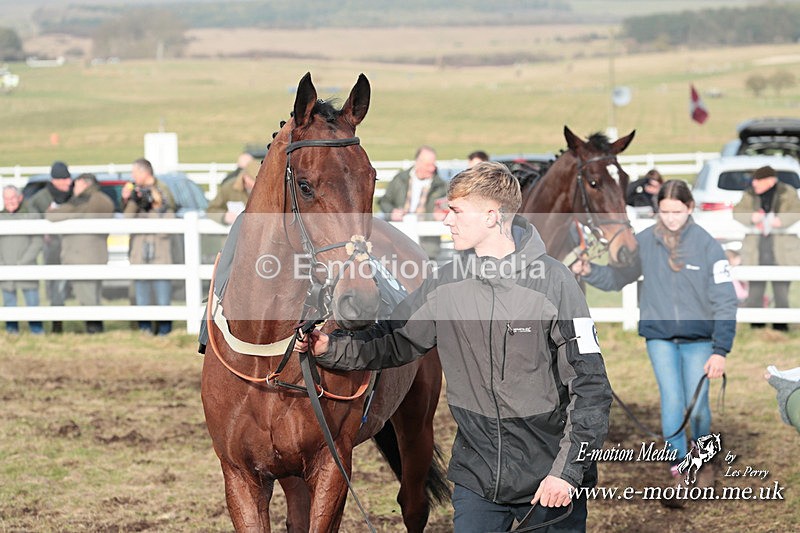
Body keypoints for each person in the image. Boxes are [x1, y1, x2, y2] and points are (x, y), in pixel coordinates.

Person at [299, 162, 612, 532]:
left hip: (549, 481)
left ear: (492, 216)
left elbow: (591, 387)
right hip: (476, 479)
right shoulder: (445, 283)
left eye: (457, 211)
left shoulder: (556, 283)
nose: (447, 221)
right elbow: (393, 340)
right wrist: (328, 346)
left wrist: (566, 472)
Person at [571, 180, 737, 499]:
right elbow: (618, 277)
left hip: (700, 339)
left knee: (698, 407)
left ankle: (704, 458)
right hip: (659, 337)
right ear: (657, 210)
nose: (671, 217)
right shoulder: (644, 241)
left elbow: (725, 300)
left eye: (678, 211)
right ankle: (680, 465)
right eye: (665, 211)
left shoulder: (708, 246)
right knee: (673, 401)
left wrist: (721, 350)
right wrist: (589, 270)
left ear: (690, 208)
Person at [733, 165, 800, 331]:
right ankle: (756, 326)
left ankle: (781, 326)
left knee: (781, 290)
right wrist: (752, 217)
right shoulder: (749, 194)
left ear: (770, 180)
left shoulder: (787, 192)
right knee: (755, 289)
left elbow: (796, 211)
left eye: (758, 180)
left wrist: (782, 221)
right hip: (757, 248)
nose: (754, 183)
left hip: (781, 249)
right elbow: (737, 212)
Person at [46, 174, 115, 333]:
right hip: (97, 255)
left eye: (76, 184)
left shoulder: (84, 200)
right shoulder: (103, 199)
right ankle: (96, 330)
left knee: (87, 298)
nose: (73, 188)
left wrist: (54, 210)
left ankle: (94, 332)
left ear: (84, 184)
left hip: (81, 256)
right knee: (94, 296)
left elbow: (53, 216)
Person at [122, 158, 176, 335]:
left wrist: (155, 207)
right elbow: (127, 219)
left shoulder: (163, 191)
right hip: (140, 253)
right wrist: (130, 200)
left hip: (160, 253)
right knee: (141, 294)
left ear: (144, 173)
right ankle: (144, 330)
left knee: (162, 294)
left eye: (134, 173)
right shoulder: (135, 194)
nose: (132, 177)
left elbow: (168, 224)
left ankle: (164, 331)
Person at [379, 145, 447, 259]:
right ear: (418, 162)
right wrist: (392, 212)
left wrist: (442, 212)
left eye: (433, 164)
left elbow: (447, 206)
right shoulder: (400, 179)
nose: (432, 168)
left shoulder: (440, 186)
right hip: (398, 238)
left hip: (427, 243)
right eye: (428, 165)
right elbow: (384, 202)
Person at [28, 160, 73, 333]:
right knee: (56, 286)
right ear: (55, 180)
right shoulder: (41, 198)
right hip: (53, 247)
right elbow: (32, 217)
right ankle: (57, 325)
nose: (68, 183)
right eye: (64, 179)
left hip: (72, 246)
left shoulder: (72, 196)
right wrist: (42, 231)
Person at [1, 186, 44, 334]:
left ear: (19, 198)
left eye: (13, 198)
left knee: (32, 302)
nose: (10, 202)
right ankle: (12, 331)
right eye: (6, 199)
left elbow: (37, 241)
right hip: (6, 267)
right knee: (9, 302)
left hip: (27, 266)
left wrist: (24, 262)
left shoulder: (30, 216)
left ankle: (37, 331)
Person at [207, 158, 260, 225]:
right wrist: (224, 216)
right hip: (234, 231)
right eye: (255, 180)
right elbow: (211, 210)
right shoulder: (229, 188)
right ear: (246, 177)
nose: (259, 184)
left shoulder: (268, 190)